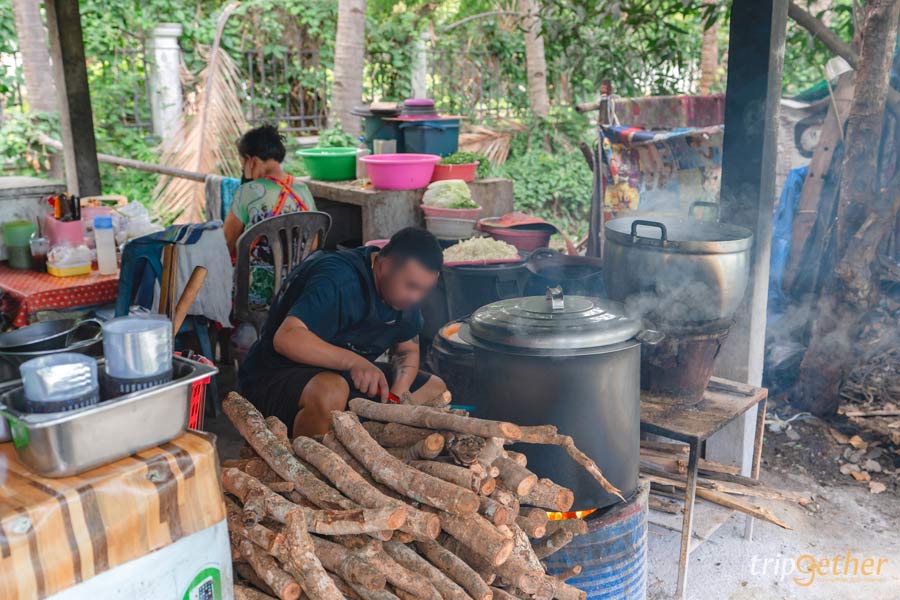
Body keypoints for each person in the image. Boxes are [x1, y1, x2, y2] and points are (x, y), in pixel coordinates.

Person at [238, 227, 448, 437]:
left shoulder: (405, 296)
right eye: (411, 286)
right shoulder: (338, 279)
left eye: (425, 290)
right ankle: (308, 463)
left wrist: (395, 400)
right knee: (332, 390)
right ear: (384, 266)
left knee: (435, 390)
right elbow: (286, 338)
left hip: (344, 377)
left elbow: (407, 350)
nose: (416, 298)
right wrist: (354, 362)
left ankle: (366, 445)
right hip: (276, 375)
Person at [224, 125, 317, 306]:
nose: (243, 169)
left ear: (252, 161)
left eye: (243, 163)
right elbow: (313, 245)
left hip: (256, 290)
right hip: (300, 286)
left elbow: (226, 243)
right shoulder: (302, 189)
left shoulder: (247, 192)